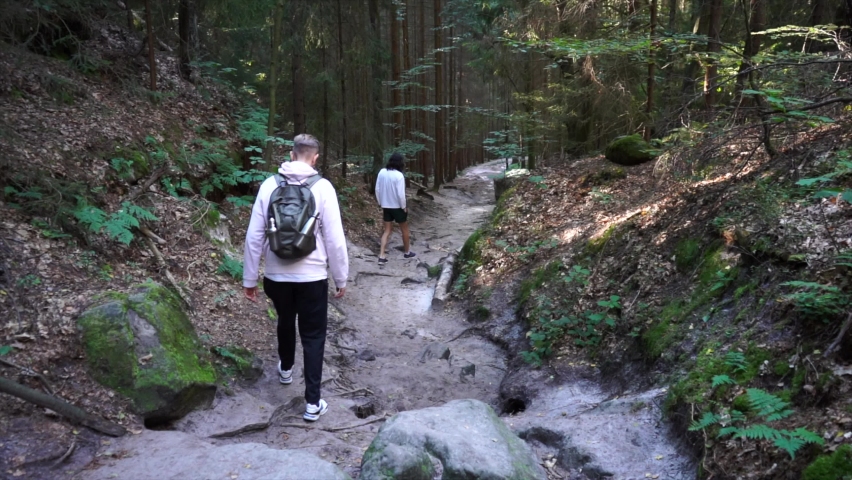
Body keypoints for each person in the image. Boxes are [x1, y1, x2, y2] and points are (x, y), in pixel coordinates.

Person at [243, 134, 348, 422]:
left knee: (285, 319)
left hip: (277, 276)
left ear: (291, 155)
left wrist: (249, 278)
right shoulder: (323, 188)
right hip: (313, 277)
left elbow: (254, 236)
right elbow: (335, 240)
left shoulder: (269, 185)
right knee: (313, 335)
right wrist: (341, 277)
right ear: (315, 158)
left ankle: (286, 368)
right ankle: (313, 403)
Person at [375, 152, 415, 264]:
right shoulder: (399, 175)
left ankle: (381, 256)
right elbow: (401, 194)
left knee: (387, 231)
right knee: (404, 230)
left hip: (385, 206)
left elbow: (377, 189)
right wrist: (404, 207)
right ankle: (407, 252)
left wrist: (380, 202)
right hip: (397, 206)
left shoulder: (382, 172)